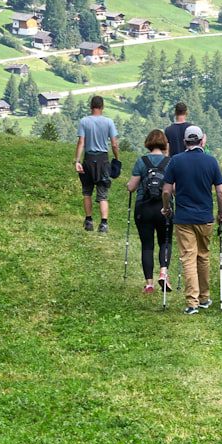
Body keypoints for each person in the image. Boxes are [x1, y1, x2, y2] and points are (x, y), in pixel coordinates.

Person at [161, 125, 222, 314]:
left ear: (184, 142)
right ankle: (204, 297)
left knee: (188, 258)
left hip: (183, 218)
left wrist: (166, 208)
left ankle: (192, 302)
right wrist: (221, 212)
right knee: (203, 257)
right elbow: (221, 192)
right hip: (205, 217)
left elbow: (166, 190)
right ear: (202, 140)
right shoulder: (211, 161)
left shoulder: (176, 161)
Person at [126, 129, 174, 294]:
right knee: (165, 242)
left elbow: (131, 187)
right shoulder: (170, 162)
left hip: (143, 207)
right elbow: (173, 189)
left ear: (148, 142)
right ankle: (163, 272)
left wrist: (128, 185)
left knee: (147, 246)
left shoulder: (141, 161)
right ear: (164, 144)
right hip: (164, 208)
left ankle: (149, 284)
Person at [75, 95, 120, 233]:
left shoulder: (84, 121)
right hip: (103, 160)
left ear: (91, 106)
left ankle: (88, 221)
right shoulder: (108, 122)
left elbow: (81, 142)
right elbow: (114, 144)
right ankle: (104, 224)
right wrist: (117, 158)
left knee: (87, 192)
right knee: (103, 194)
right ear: (102, 107)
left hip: (88, 159)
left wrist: (77, 161)